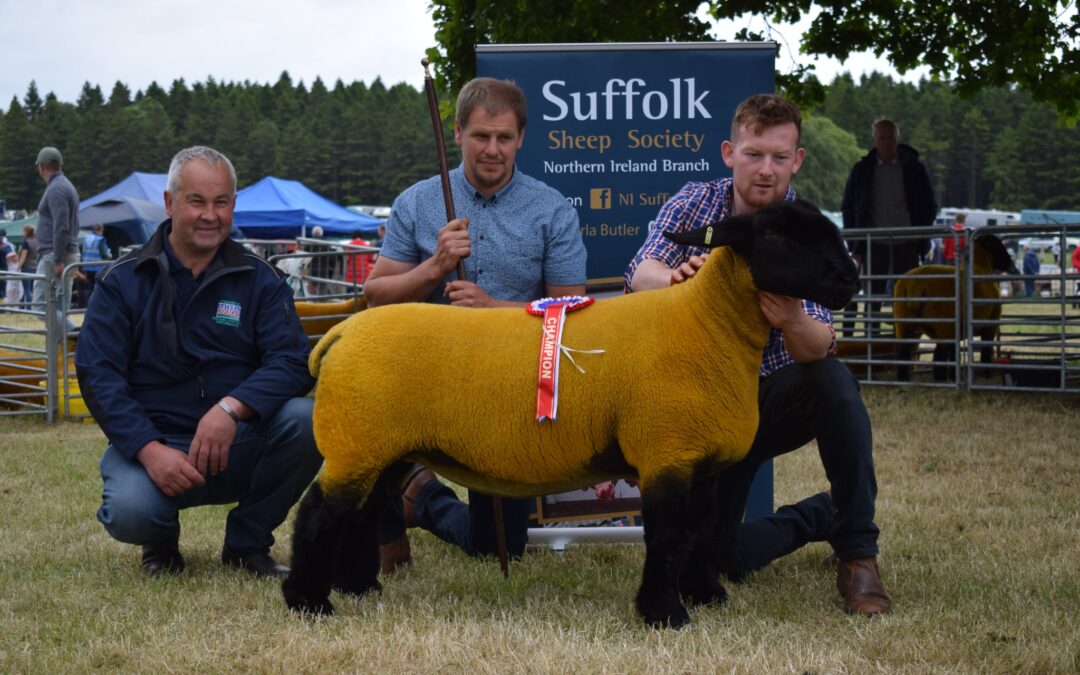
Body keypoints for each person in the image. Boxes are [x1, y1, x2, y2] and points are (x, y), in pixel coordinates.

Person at [625, 93, 891, 616]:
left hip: (766, 400)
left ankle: (858, 553)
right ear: (729, 152)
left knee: (833, 380)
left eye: (778, 156)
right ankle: (823, 514)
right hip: (700, 408)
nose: (765, 170)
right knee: (723, 559)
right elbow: (640, 271)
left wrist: (791, 317)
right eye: (753, 154)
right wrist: (675, 281)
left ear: (798, 160)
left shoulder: (806, 229)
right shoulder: (697, 202)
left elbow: (818, 344)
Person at [365, 77, 587, 574]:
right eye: (481, 136)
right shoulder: (417, 202)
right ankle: (386, 524)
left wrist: (494, 309)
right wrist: (434, 267)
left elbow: (571, 311)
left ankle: (422, 495)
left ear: (521, 139)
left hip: (506, 385)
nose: (492, 150)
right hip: (427, 378)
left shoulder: (552, 209)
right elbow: (374, 296)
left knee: (496, 547)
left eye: (504, 138)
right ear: (459, 131)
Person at [75, 146, 322, 578]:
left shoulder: (260, 279)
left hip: (235, 441)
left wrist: (231, 408)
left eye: (221, 202)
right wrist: (149, 450)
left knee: (307, 420)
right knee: (131, 512)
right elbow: (99, 374)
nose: (211, 215)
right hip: (155, 442)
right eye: (197, 201)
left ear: (233, 204)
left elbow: (292, 360)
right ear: (170, 204)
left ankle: (247, 544)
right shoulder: (121, 281)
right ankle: (159, 543)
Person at [841, 118, 938, 333]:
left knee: (908, 295)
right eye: (882, 137)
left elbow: (929, 205)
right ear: (875, 140)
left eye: (891, 137)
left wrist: (920, 237)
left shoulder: (914, 169)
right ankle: (872, 340)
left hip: (907, 242)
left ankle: (905, 342)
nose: (887, 142)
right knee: (872, 297)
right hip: (872, 242)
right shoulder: (862, 170)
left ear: (897, 139)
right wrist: (855, 245)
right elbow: (848, 206)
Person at [33, 147, 81, 336]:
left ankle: (78, 335)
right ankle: (63, 350)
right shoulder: (66, 185)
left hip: (56, 255)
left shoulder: (56, 189)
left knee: (40, 306)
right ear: (60, 165)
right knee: (60, 306)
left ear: (42, 167)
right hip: (66, 252)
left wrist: (58, 259)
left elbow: (61, 226)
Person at [79, 222, 112, 304]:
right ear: (101, 229)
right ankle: (96, 304)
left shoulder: (86, 238)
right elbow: (104, 255)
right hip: (97, 267)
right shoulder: (100, 239)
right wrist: (109, 255)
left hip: (86, 266)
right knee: (97, 287)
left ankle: (86, 304)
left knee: (88, 287)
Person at [17, 224, 38, 306]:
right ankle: (21, 306)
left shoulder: (26, 242)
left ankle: (29, 309)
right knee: (32, 289)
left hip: (26, 268)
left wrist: (18, 267)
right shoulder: (37, 242)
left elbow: (23, 257)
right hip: (35, 267)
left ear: (26, 232)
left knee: (27, 290)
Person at [1, 229, 19, 305]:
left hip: (4, 269)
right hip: (5, 269)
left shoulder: (7, 246)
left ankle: (3, 306)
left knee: (3, 290)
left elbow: (13, 257)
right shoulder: (7, 246)